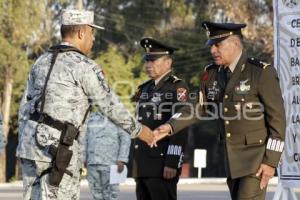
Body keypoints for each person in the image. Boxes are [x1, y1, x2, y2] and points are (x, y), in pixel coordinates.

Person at [16, 9, 153, 200]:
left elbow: (24, 107)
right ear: (81, 33)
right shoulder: (84, 66)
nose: (93, 39)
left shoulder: (40, 61)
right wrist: (140, 131)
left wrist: (24, 141)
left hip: (30, 148)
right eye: (92, 32)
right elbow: (109, 104)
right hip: (59, 152)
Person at [154, 22, 286, 200]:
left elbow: (277, 120)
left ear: (236, 44)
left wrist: (270, 161)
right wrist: (170, 126)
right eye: (211, 45)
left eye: (218, 45)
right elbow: (197, 107)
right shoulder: (211, 74)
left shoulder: (261, 73)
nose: (212, 50)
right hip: (231, 160)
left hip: (256, 159)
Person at [132, 37, 189, 200]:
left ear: (168, 63)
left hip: (161, 165)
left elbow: (180, 126)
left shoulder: (177, 87)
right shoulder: (145, 88)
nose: (149, 65)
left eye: (153, 60)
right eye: (147, 60)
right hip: (142, 165)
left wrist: (172, 162)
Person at [83, 112, 131, 200]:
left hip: (111, 163)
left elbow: (125, 139)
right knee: (96, 193)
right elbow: (85, 139)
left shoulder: (118, 117)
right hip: (92, 162)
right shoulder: (91, 117)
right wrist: (84, 158)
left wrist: (122, 159)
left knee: (111, 194)